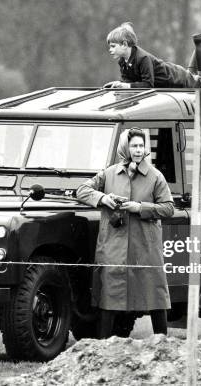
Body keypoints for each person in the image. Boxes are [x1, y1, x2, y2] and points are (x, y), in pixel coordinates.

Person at [76, 127, 174, 338]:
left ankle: (163, 345)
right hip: (113, 248)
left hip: (145, 249)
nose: (138, 150)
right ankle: (102, 348)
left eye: (141, 146)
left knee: (155, 296)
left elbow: (168, 208)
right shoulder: (110, 173)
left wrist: (140, 208)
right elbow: (82, 190)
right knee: (109, 298)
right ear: (125, 148)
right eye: (134, 146)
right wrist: (103, 199)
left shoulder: (155, 176)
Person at [103, 22, 201, 89]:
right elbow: (127, 81)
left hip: (177, 78)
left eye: (113, 46)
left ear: (124, 44)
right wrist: (118, 85)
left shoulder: (143, 58)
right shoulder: (122, 61)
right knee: (192, 75)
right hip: (176, 76)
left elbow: (148, 84)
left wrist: (126, 86)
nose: (110, 50)